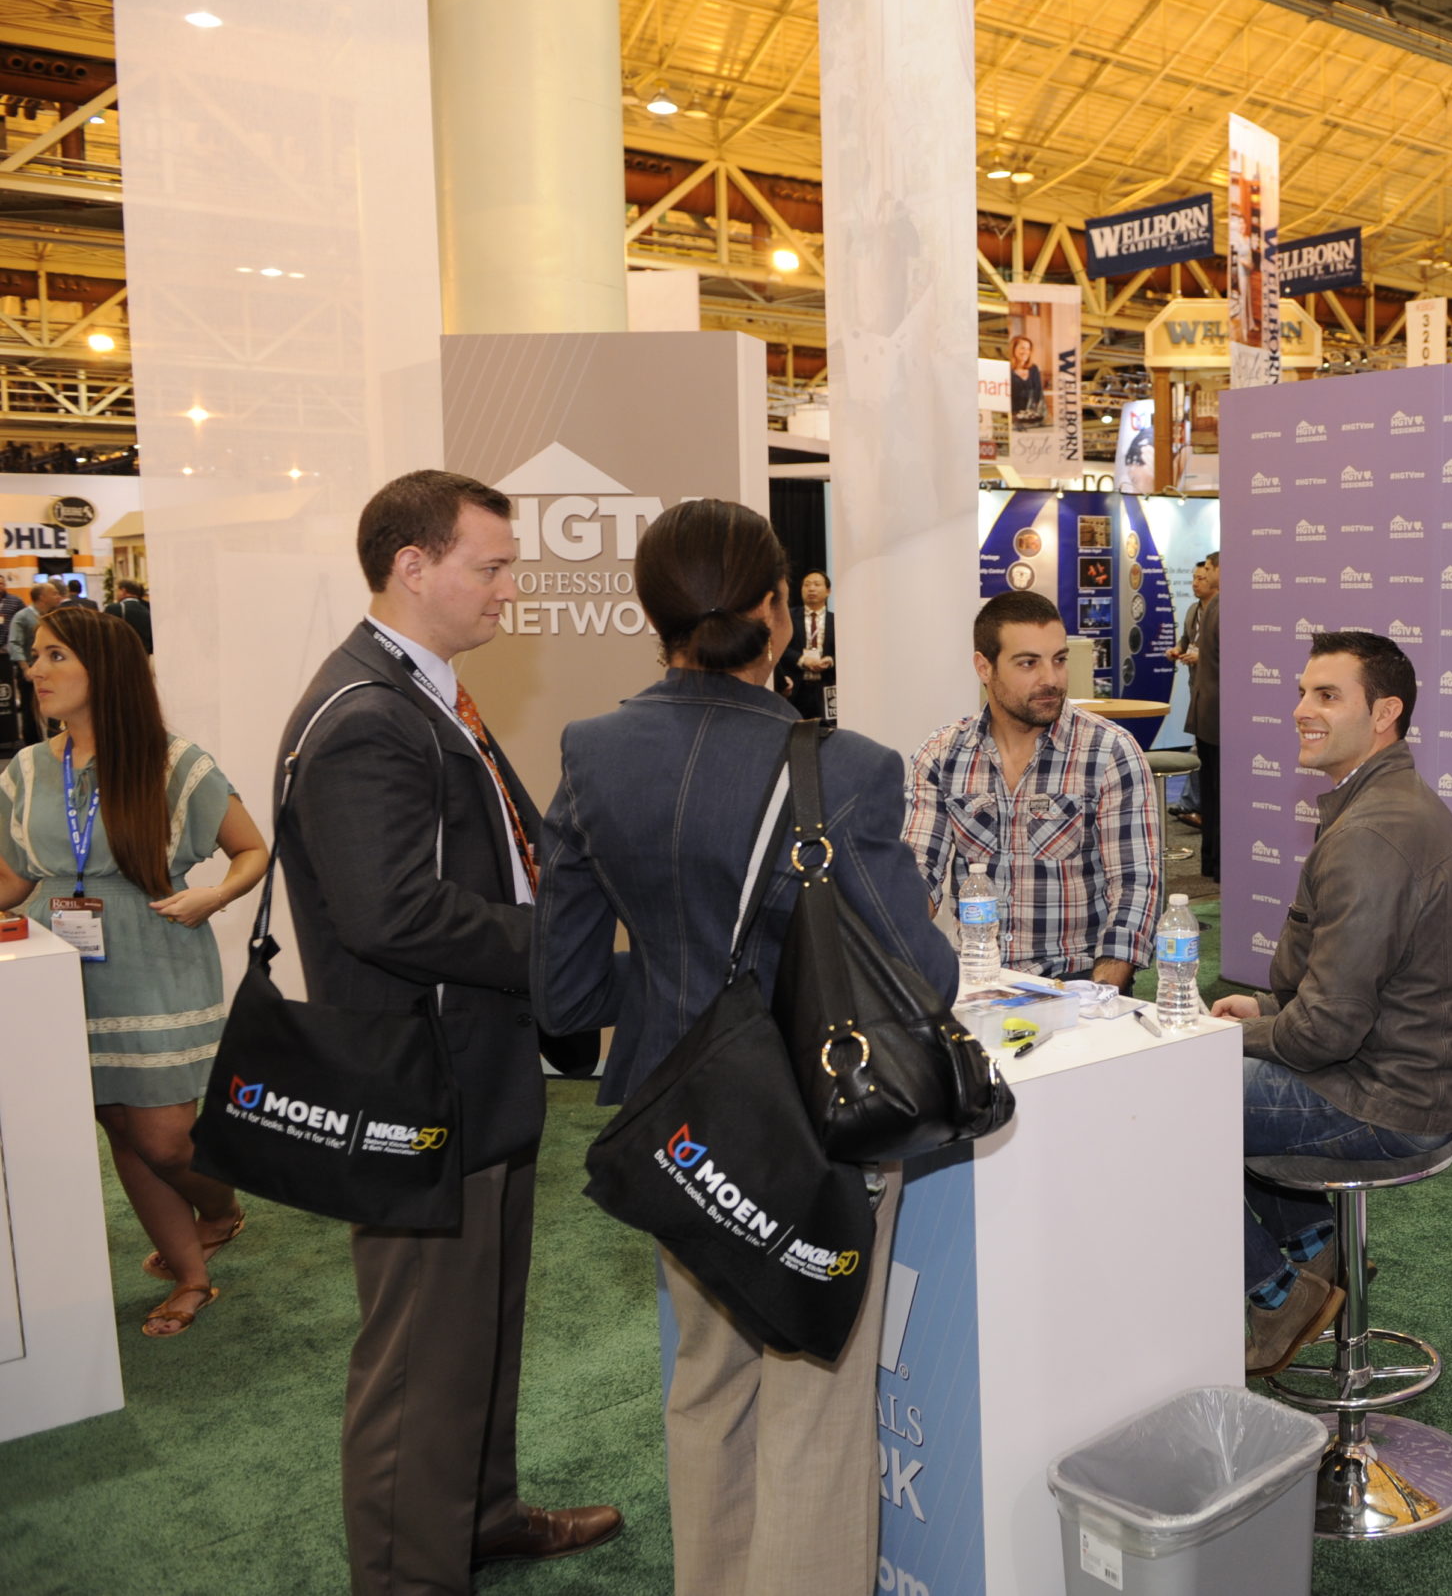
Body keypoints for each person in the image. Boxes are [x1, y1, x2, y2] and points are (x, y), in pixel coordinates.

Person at [536, 498, 953, 1594]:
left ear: (652, 614)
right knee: (813, 1403)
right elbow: (923, 979)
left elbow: (563, 992)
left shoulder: (591, 751)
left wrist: (676, 995)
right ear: (779, 609)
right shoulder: (844, 766)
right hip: (813, 1132)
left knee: (707, 1383)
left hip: (674, 1122)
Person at [273, 470, 620, 1593]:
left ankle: (478, 1515)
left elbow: (497, 859)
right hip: (419, 1084)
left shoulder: (419, 695)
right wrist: (566, 955)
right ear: (412, 566)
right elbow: (392, 913)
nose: (511, 589)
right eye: (493, 566)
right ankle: (407, 1572)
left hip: (472, 1068)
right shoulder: (367, 714)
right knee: (421, 1353)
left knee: (476, 1328)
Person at [1210, 631, 1452, 1376]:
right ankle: (1317, 1252)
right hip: (1398, 1074)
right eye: (1303, 692)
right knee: (1204, 1080)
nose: (1302, 709)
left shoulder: (1373, 831)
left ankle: (1276, 1294)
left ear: (1385, 713)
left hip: (1384, 1096)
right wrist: (1266, 1015)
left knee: (1168, 1103)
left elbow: (1326, 1031)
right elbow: (1347, 991)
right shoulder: (1381, 804)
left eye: (1327, 695)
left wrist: (1235, 1038)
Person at [0, 607, 267, 1337]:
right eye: (36, 657)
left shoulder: (176, 763)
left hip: (156, 958)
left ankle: (220, 1209)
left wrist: (215, 894)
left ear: (105, 670)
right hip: (59, 969)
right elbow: (15, 880)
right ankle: (191, 1274)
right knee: (117, 1122)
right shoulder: (26, 769)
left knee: (166, 1137)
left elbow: (251, 849)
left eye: (54, 656)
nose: (34, 670)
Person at [904, 590, 1161, 988]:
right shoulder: (941, 754)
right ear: (984, 667)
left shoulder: (1109, 751)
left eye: (1059, 660)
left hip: (1075, 979)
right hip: (976, 977)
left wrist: (1099, 994)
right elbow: (919, 873)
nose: (1051, 679)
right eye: (1028, 663)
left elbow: (1135, 885)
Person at [1184, 552, 1222, 878]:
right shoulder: (1222, 607)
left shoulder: (1214, 607)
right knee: (1217, 793)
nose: (1204, 576)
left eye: (1208, 570)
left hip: (1208, 712)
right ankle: (1218, 863)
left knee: (1212, 792)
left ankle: (1212, 862)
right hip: (1218, 716)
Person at [777, 568, 836, 722]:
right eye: (807, 584)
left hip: (826, 685)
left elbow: (847, 652)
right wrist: (802, 660)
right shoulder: (788, 617)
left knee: (827, 730)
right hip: (796, 687)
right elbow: (778, 646)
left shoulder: (837, 620)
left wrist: (831, 660)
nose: (811, 588)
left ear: (828, 591)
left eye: (817, 584)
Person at [10, 581, 62, 749]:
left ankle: (56, 739)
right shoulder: (22, 617)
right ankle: (32, 746)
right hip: (30, 670)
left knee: (56, 705)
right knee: (30, 710)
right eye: (54, 593)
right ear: (42, 597)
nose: (58, 596)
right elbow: (14, 643)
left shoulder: (54, 616)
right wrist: (26, 668)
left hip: (53, 670)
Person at [1007, 331, 1047, 428]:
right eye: (1022, 348)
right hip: (1013, 420)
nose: (1026, 352)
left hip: (1032, 418)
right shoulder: (1006, 370)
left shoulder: (1033, 369)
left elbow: (1038, 394)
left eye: (1028, 349)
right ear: (1013, 349)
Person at [106, 579, 153, 655]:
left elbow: (107, 634)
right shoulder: (148, 608)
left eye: (117, 590)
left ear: (123, 591)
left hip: (122, 654)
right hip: (143, 653)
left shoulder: (115, 608)